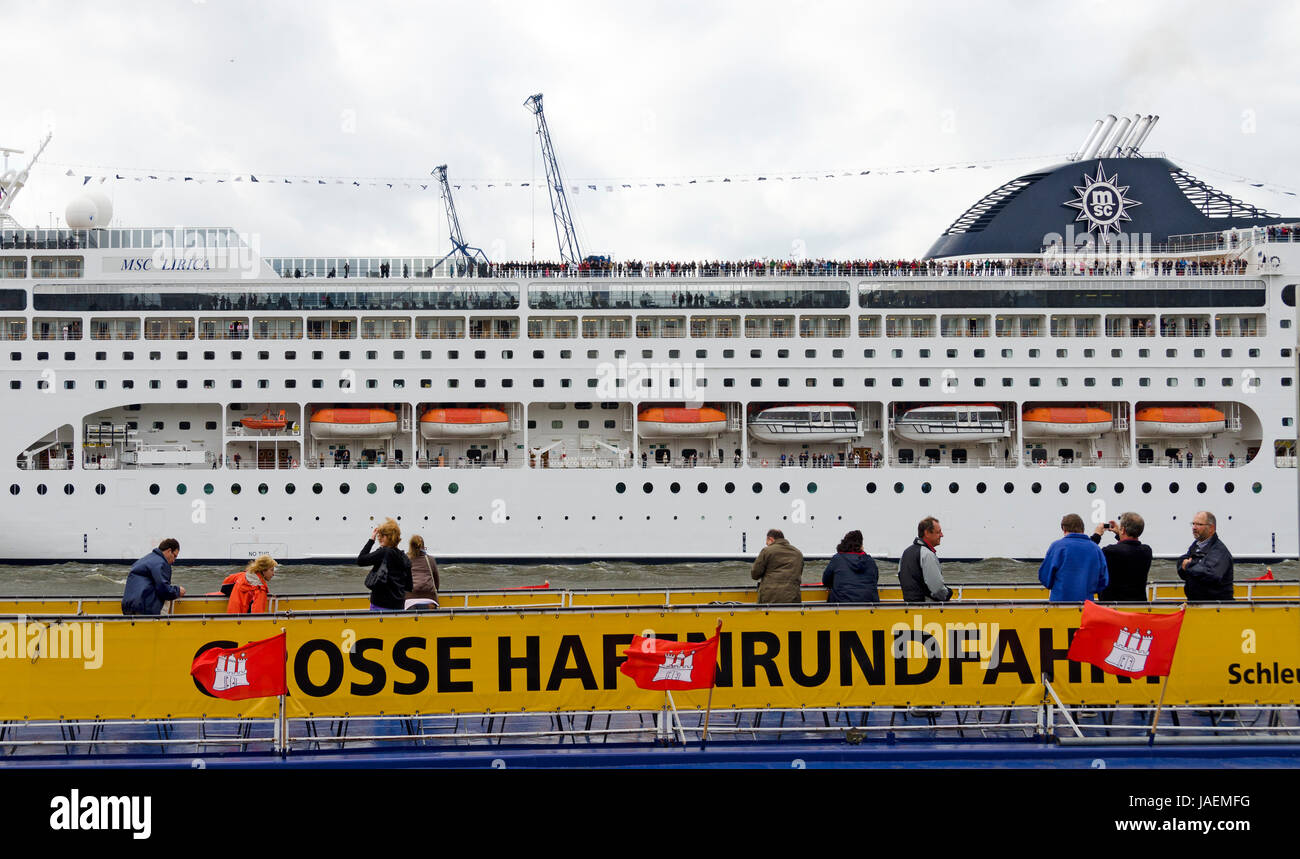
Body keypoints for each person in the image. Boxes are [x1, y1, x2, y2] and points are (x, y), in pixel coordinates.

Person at [1038, 514, 1108, 602]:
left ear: (1064, 529)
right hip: (1086, 606)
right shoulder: (1096, 549)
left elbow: (1045, 577)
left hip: (1059, 605)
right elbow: (1103, 580)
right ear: (1083, 529)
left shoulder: (1057, 547)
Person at [1090, 513, 1153, 601]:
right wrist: (1119, 534)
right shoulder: (1147, 551)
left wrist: (1096, 535)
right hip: (1137, 608)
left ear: (1123, 530)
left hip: (1112, 609)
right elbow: (1129, 549)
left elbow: (1087, 553)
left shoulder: (1109, 552)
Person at [1177, 511, 1234, 601]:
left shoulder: (1219, 551)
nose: (1194, 528)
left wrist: (1188, 566)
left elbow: (1211, 575)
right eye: (1193, 524)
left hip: (1216, 606)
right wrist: (1187, 566)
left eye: (1199, 524)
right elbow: (1182, 565)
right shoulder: (1196, 545)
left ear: (1211, 528)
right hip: (1196, 602)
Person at [357, 518, 413, 611]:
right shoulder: (404, 557)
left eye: (383, 535)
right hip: (398, 606)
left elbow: (361, 560)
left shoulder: (384, 552)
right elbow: (409, 586)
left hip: (380, 604)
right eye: (379, 535)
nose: (379, 538)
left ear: (390, 536)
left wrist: (371, 539)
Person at [121, 538, 185, 615]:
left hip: (128, 607)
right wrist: (178, 591)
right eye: (174, 556)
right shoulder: (161, 563)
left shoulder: (143, 560)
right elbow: (163, 589)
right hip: (145, 608)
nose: (174, 560)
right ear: (169, 551)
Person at [898, 516, 952, 602]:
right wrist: (948, 593)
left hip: (909, 607)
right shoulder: (927, 554)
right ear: (927, 533)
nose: (942, 535)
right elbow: (937, 588)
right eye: (938, 532)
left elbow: (901, 577)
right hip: (926, 608)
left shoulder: (906, 553)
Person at [822, 530, 879, 603]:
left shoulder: (837, 559)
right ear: (861, 546)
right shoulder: (870, 561)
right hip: (870, 606)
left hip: (841, 605)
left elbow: (826, 581)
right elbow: (875, 580)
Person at [750, 528, 804, 603]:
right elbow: (799, 573)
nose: (767, 544)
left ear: (770, 539)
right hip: (793, 598)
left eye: (767, 542)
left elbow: (755, 574)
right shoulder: (798, 553)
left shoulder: (767, 551)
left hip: (769, 598)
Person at [406, 534, 440, 606]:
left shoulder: (405, 559)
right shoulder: (431, 560)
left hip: (410, 598)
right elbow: (436, 581)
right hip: (429, 598)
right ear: (423, 547)